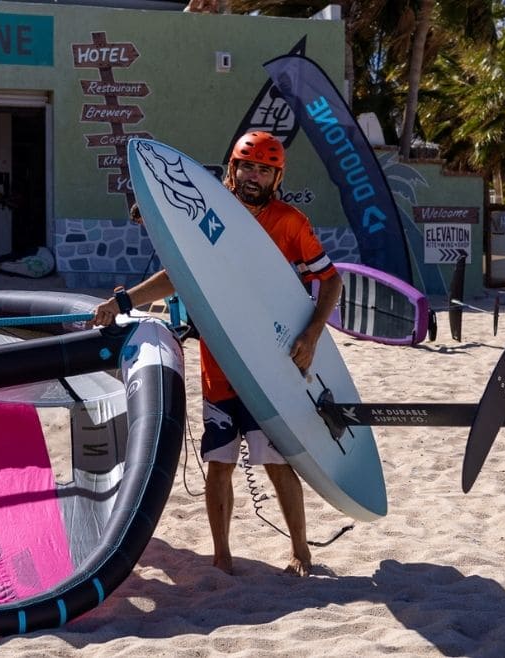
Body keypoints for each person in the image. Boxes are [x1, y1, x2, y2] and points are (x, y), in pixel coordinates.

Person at [90, 132, 342, 577]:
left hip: (272, 364)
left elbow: (331, 279)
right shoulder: (208, 213)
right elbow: (177, 276)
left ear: (276, 176)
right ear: (233, 168)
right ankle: (222, 555)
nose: (253, 176)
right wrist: (122, 302)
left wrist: (314, 333)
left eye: (264, 169)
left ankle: (301, 551)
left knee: (277, 462)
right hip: (219, 366)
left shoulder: (290, 222)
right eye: (246, 166)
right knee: (220, 462)